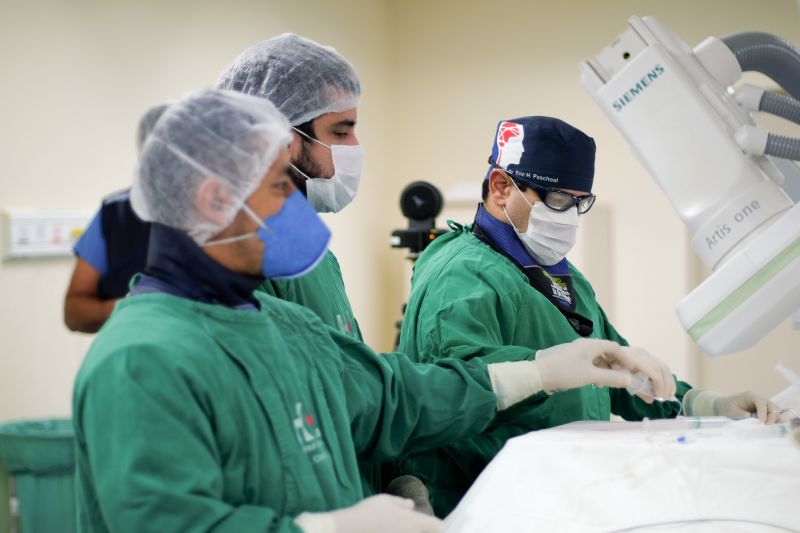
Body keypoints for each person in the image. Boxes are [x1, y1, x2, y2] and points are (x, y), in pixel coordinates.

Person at [73, 90, 656, 532]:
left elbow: (394, 394)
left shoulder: (282, 324)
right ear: (212, 199)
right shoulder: (140, 360)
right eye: (280, 186)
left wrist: (540, 371)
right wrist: (325, 528)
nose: (297, 205)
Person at [395, 115, 781, 516]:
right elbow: (458, 391)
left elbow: (618, 376)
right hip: (486, 505)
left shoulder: (560, 275)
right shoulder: (460, 275)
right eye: (560, 201)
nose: (571, 218)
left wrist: (708, 405)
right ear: (501, 187)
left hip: (559, 497)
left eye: (581, 203)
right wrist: (543, 372)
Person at [216, 33, 364, 340]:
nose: (355, 146)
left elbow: (351, 370)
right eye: (340, 133)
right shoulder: (237, 257)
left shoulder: (308, 248)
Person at [64, 102, 171, 333]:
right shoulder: (117, 213)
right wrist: (129, 308)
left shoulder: (228, 214)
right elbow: (74, 312)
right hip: (131, 350)